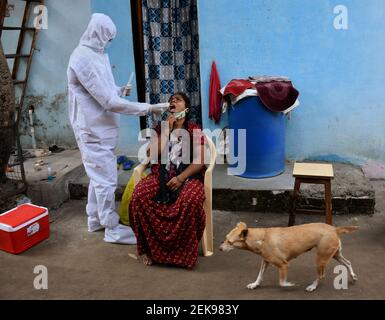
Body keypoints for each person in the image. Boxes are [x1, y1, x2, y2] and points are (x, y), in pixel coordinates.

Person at [67, 13, 169, 244]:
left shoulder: (97, 55)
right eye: (108, 37)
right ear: (97, 33)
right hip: (92, 129)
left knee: (98, 177)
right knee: (106, 180)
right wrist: (149, 108)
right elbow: (108, 102)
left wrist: (118, 88)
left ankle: (94, 218)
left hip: (102, 128)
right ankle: (111, 228)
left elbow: (101, 88)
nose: (109, 42)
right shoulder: (82, 58)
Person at [129, 92, 207, 268]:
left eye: (178, 100)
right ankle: (151, 250)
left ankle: (183, 254)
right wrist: (165, 130)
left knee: (191, 200)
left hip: (187, 177)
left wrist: (180, 178)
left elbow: (200, 161)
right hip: (161, 176)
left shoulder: (194, 129)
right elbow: (151, 155)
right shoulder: (160, 128)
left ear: (186, 109)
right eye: (171, 100)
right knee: (139, 196)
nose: (173, 102)